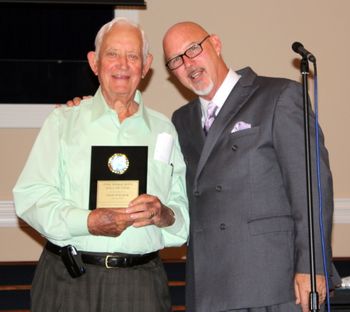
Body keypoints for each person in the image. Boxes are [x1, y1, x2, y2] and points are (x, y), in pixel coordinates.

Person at [13, 17, 189, 312]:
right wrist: (88, 222)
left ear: (146, 66)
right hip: (70, 280)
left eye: (132, 56)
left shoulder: (164, 131)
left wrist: (163, 214)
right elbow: (31, 198)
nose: (122, 64)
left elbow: (182, 214)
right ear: (94, 63)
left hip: (141, 285)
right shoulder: (62, 122)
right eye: (112, 54)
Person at [163, 21, 337, 312]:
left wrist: (313, 265)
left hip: (274, 284)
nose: (188, 63)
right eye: (176, 60)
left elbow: (311, 186)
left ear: (215, 44)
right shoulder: (181, 120)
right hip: (208, 287)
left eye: (193, 49)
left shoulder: (278, 96)